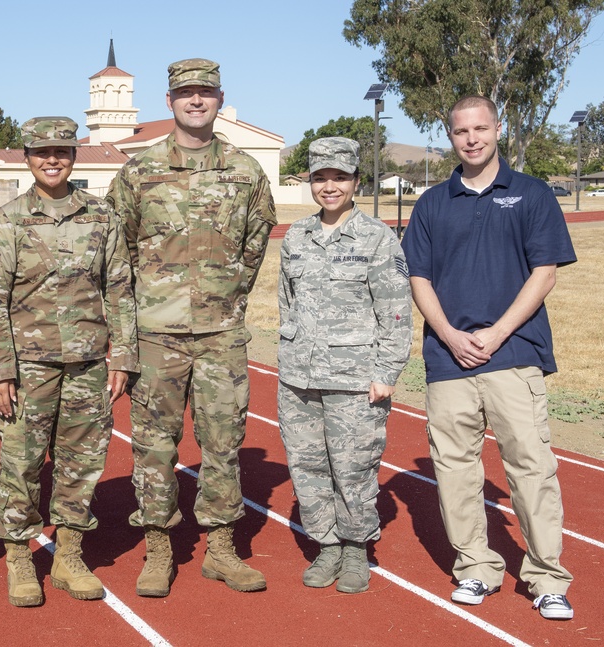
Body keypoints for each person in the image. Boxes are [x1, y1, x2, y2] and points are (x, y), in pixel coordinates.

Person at [401, 95, 576, 620]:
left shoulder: (531, 193)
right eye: (461, 131)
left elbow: (544, 273)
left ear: (498, 129)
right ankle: (475, 567)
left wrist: (497, 333)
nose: (472, 138)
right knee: (454, 470)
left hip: (515, 355)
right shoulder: (432, 202)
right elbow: (418, 277)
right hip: (448, 359)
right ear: (449, 136)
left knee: (531, 468)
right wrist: (450, 335)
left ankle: (547, 578)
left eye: (481, 128)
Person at [107, 58, 276, 597]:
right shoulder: (139, 171)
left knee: (224, 442)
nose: (196, 101)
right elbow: (118, 252)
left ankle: (221, 549)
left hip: (221, 336)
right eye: (186, 94)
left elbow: (254, 248)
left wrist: (222, 302)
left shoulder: (246, 172)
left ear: (220, 99)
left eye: (206, 92)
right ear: (169, 102)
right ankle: (159, 549)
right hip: (156, 335)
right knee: (155, 445)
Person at [0, 116, 138, 606]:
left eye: (62, 151)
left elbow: (120, 288)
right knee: (21, 463)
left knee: (82, 462)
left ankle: (69, 553)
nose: (52, 159)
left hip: (88, 363)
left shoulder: (101, 215)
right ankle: (20, 557)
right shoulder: (9, 219)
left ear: (74, 156)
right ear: (27, 157)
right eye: (42, 151)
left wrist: (124, 353)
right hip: (28, 367)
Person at [276, 137, 412, 594]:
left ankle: (356, 548)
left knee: (354, 468)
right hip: (299, 378)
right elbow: (286, 304)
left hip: (356, 378)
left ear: (356, 181)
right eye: (320, 178)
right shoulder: (296, 236)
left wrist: (385, 373)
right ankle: (326, 545)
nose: (329, 187)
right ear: (310, 182)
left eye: (339, 177)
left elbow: (395, 311)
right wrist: (289, 358)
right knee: (308, 466)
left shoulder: (377, 238)